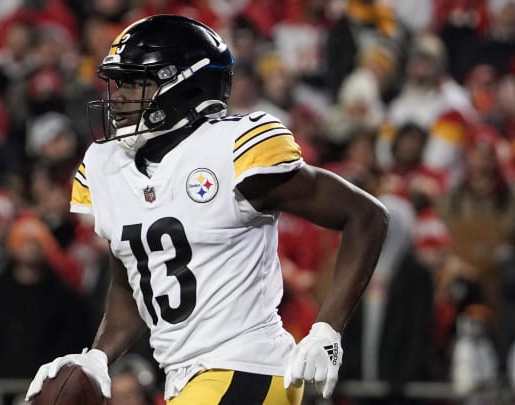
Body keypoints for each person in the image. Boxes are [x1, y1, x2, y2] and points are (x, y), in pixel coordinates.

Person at [26, 15, 389, 405]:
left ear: (185, 84)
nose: (118, 96)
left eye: (136, 82)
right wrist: (99, 354)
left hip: (249, 368)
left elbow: (365, 216)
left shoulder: (232, 150)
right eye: (118, 82)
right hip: (186, 381)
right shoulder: (106, 165)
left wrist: (327, 330)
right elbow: (134, 281)